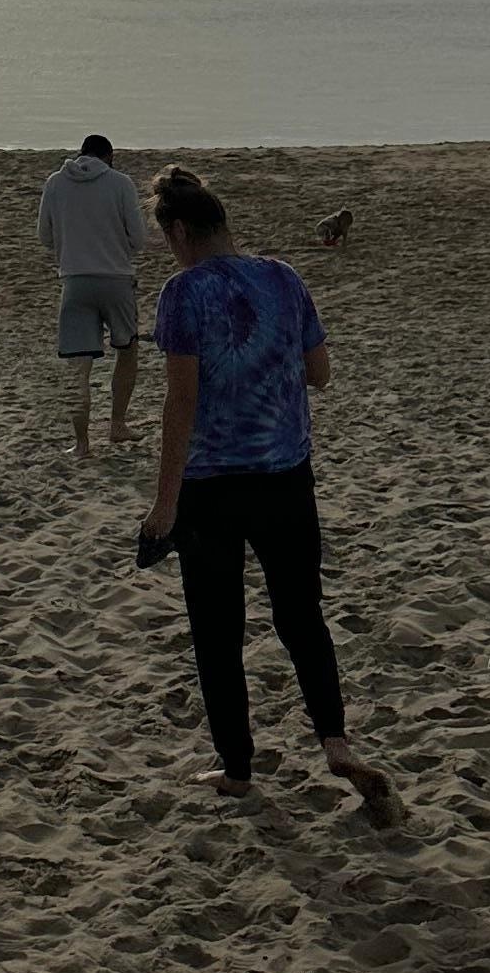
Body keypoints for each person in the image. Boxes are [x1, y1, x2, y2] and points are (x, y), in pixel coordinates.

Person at [140, 164, 391, 815]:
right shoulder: (284, 277)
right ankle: (334, 741)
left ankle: (238, 769)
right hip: (286, 475)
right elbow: (321, 373)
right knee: (301, 614)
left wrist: (164, 502)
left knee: (218, 632)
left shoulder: (182, 292)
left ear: (179, 231)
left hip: (211, 486)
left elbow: (181, 400)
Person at [37, 134, 151, 459]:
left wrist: (70, 247)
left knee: (78, 365)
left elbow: (44, 236)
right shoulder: (121, 183)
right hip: (116, 279)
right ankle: (117, 423)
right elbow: (139, 238)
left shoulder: (56, 183)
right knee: (127, 350)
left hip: (75, 281)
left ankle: (82, 443)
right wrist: (118, 248)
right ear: (109, 156)